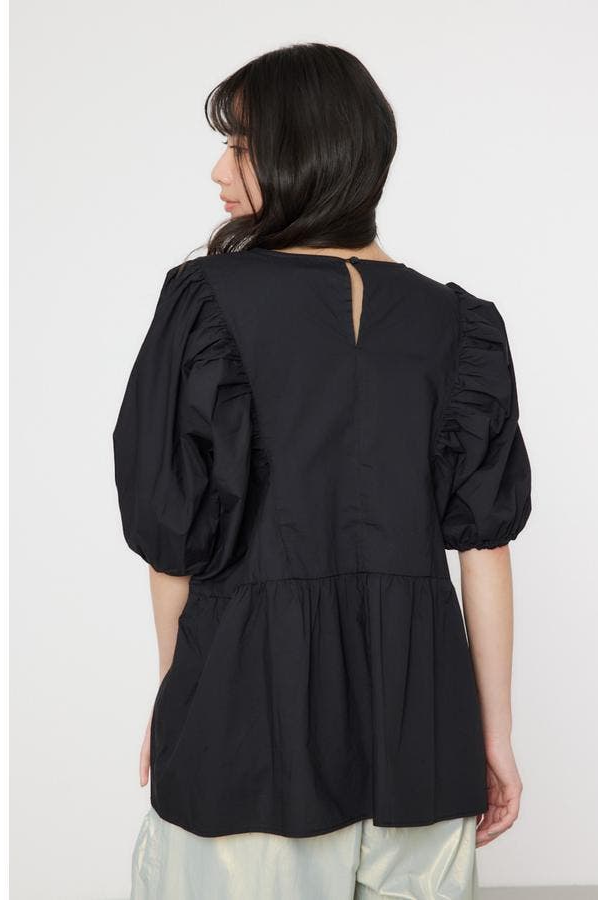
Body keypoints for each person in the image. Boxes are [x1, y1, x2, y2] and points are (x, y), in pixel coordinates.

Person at [112, 42, 532, 900]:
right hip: (423, 736)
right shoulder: (463, 326)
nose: (218, 170)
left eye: (239, 146)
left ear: (304, 151)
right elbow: (484, 546)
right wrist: (493, 735)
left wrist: (177, 692)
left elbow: (173, 534)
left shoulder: (204, 300)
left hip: (245, 728)